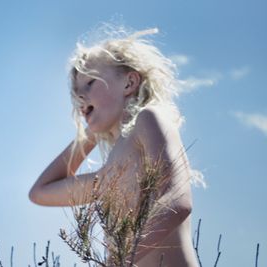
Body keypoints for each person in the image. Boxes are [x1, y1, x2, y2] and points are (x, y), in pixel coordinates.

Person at [29, 25, 202, 266]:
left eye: (90, 83)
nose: (79, 96)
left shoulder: (148, 118)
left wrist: (120, 259)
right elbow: (41, 192)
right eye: (75, 92)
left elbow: (177, 200)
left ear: (129, 83)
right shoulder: (110, 175)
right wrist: (91, 132)